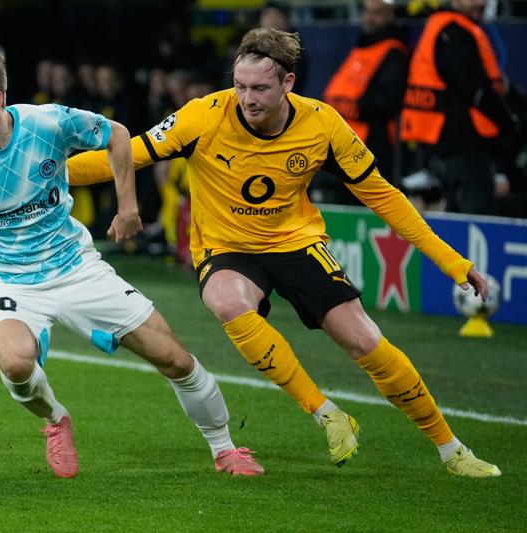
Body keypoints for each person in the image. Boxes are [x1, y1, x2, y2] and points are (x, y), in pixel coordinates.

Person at [68, 28, 501, 478]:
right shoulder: (203, 115)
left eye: (259, 88)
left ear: (288, 83)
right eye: (240, 86)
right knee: (227, 301)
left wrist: (452, 261)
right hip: (227, 247)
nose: (247, 99)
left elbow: (384, 197)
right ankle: (325, 412)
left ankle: (452, 451)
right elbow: (126, 154)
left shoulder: (322, 124)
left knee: (364, 340)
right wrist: (44, 171)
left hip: (296, 242)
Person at [0, 45, 262, 479]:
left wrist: (128, 208)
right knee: (14, 362)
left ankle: (225, 449)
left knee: (175, 360)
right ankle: (56, 420)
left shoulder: (47, 123)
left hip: (76, 268)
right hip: (6, 282)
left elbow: (117, 135)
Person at [400, 0, 521, 214]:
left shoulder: (443, 26)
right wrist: (509, 124)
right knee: (476, 221)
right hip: (465, 147)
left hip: (443, 145)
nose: (480, 3)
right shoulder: (455, 32)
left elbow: (495, 84)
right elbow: (477, 91)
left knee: (455, 220)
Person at [323, 0, 409, 180]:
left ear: (389, 15)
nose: (370, 18)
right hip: (344, 139)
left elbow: (388, 101)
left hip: (370, 144)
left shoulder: (393, 52)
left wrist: (356, 106)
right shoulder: (363, 45)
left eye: (377, 13)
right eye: (367, 12)